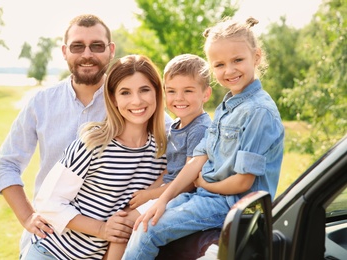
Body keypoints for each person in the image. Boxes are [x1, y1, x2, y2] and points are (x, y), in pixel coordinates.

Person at [0, 14, 173, 253]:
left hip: (102, 250)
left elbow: (176, 150)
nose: (87, 54)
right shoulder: (42, 102)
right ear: (65, 52)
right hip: (50, 240)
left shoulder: (132, 104)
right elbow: (5, 166)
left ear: (110, 50)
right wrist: (28, 217)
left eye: (96, 46)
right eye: (78, 46)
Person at [121, 17, 285, 259]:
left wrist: (204, 184)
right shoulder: (227, 106)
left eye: (238, 60)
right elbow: (196, 161)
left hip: (232, 205)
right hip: (205, 197)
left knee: (149, 230)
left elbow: (243, 183)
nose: (229, 70)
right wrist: (163, 199)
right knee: (144, 217)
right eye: (219, 64)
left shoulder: (258, 112)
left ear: (256, 57)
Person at [22, 54, 167, 259]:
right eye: (125, 92)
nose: (137, 101)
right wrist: (102, 229)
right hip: (52, 252)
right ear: (114, 99)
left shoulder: (162, 153)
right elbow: (48, 202)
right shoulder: (93, 142)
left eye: (145, 90)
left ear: (157, 94)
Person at [104, 53, 212, 260]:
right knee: (121, 219)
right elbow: (169, 170)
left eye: (188, 91)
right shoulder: (176, 125)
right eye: (171, 91)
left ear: (205, 94)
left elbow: (189, 181)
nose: (178, 98)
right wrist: (148, 190)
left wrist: (149, 196)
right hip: (168, 191)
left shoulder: (199, 129)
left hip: (182, 195)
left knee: (125, 225)